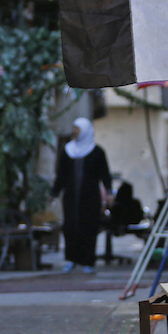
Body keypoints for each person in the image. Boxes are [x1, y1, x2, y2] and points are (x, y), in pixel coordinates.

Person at [52, 117, 112, 273]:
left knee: (89, 228)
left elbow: (105, 174)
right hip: (71, 197)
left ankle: (88, 261)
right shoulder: (68, 150)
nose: (74, 132)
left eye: (77, 129)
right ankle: (71, 259)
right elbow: (61, 175)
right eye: (74, 128)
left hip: (90, 197)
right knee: (70, 228)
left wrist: (109, 192)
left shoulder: (97, 152)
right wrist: (54, 192)